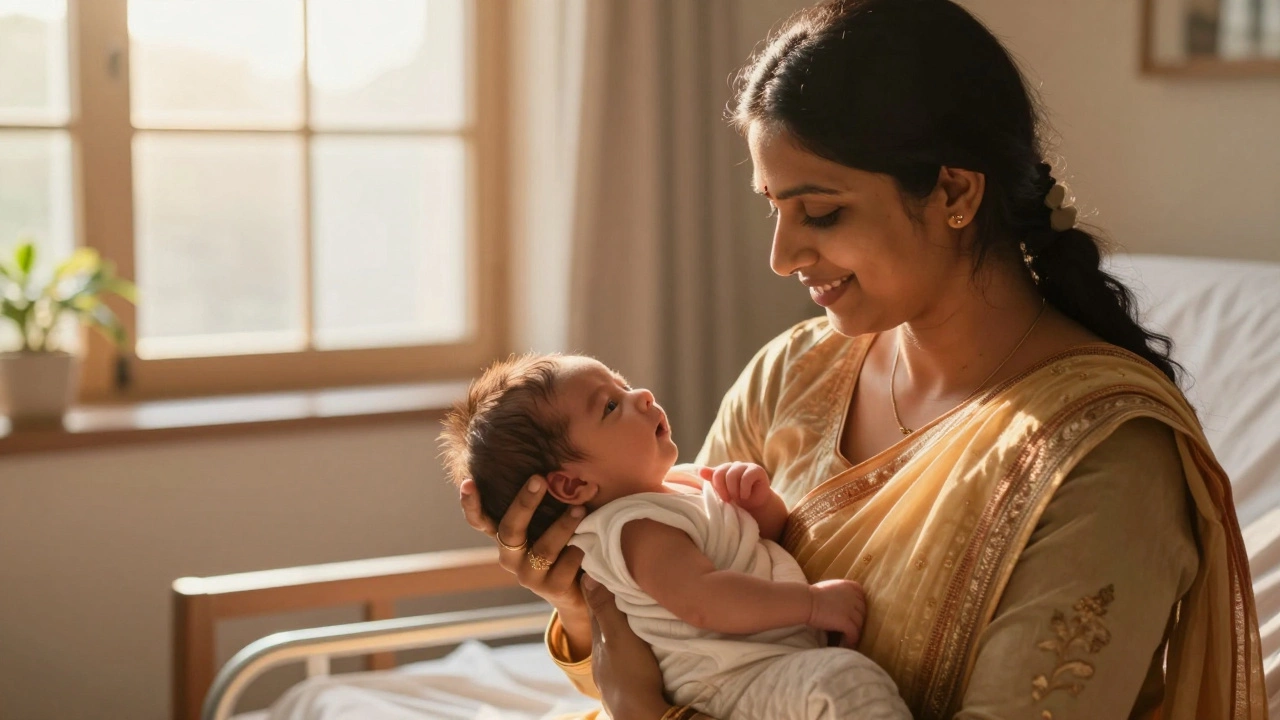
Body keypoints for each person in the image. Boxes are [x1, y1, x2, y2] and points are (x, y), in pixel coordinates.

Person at [459, 0, 1268, 718]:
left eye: (820, 211)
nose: (781, 255)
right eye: (773, 208)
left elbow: (652, 689)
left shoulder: (1103, 463)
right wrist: (580, 608)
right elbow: (687, 648)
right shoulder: (793, 374)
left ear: (955, 192)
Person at [439, 353, 911, 719]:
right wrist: (811, 605)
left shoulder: (676, 486)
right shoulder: (638, 529)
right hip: (728, 684)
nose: (641, 395)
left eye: (622, 384)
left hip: (762, 664)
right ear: (572, 485)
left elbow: (757, 544)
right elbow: (704, 601)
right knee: (844, 685)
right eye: (610, 406)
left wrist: (758, 503)